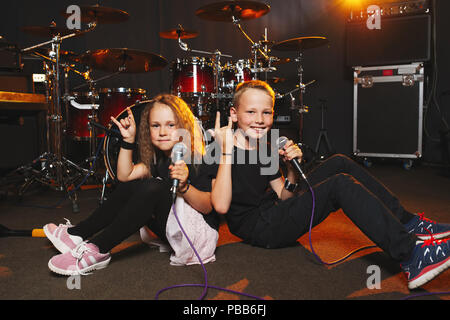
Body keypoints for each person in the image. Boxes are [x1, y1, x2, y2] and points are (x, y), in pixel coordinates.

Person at [211, 80, 450, 290]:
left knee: (338, 162)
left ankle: (409, 223)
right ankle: (411, 255)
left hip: (276, 210)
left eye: (266, 112)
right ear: (233, 114)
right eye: (251, 112)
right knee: (339, 185)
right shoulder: (220, 149)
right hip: (261, 229)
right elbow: (220, 207)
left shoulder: (264, 147)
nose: (260, 120)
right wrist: (225, 153)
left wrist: (292, 169)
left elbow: (284, 196)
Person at [44, 94, 219, 275]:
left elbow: (207, 207)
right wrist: (128, 141)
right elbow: (125, 176)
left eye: (171, 125)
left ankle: (98, 248)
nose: (163, 132)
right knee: (139, 184)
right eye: (155, 125)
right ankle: (77, 234)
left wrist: (185, 187)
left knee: (154, 187)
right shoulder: (159, 159)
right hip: (172, 229)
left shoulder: (199, 158)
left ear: (184, 127)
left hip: (197, 238)